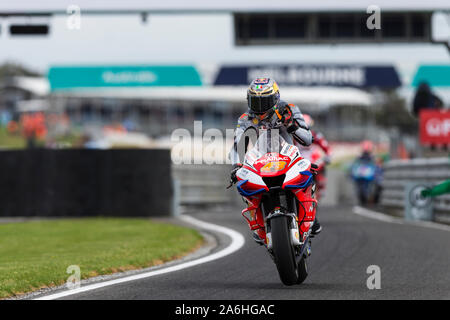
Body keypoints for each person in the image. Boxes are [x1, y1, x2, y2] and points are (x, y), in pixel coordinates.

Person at [228, 78, 321, 240]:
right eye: (255, 101)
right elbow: (238, 146)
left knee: (308, 172)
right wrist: (237, 166)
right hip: (261, 161)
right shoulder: (245, 118)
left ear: (275, 98)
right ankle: (259, 223)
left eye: (264, 101)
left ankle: (308, 216)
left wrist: (291, 125)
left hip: (288, 156)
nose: (259, 107)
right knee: (243, 181)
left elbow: (307, 139)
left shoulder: (289, 109)